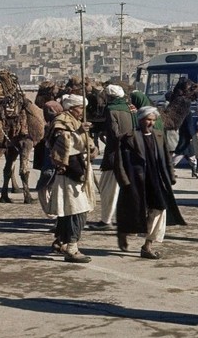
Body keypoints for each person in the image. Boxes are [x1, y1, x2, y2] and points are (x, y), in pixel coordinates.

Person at [115, 105, 185, 259]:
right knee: (132, 211)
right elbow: (119, 162)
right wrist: (124, 181)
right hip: (135, 180)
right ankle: (124, 232)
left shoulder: (159, 136)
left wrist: (171, 175)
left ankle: (147, 245)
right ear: (140, 120)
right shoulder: (129, 137)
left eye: (153, 120)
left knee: (160, 208)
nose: (151, 123)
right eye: (148, 119)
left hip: (156, 179)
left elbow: (166, 159)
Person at [45, 94, 97, 263]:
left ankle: (60, 241)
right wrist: (80, 132)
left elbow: (86, 143)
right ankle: (72, 248)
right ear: (72, 107)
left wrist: (90, 144)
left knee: (71, 211)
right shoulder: (61, 121)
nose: (83, 112)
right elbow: (61, 144)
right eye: (80, 108)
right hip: (70, 171)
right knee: (77, 211)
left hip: (81, 168)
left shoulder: (75, 121)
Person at [93, 84, 135, 229]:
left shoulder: (111, 110)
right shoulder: (132, 108)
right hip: (133, 153)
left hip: (115, 154)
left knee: (107, 188)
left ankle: (106, 220)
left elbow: (115, 134)